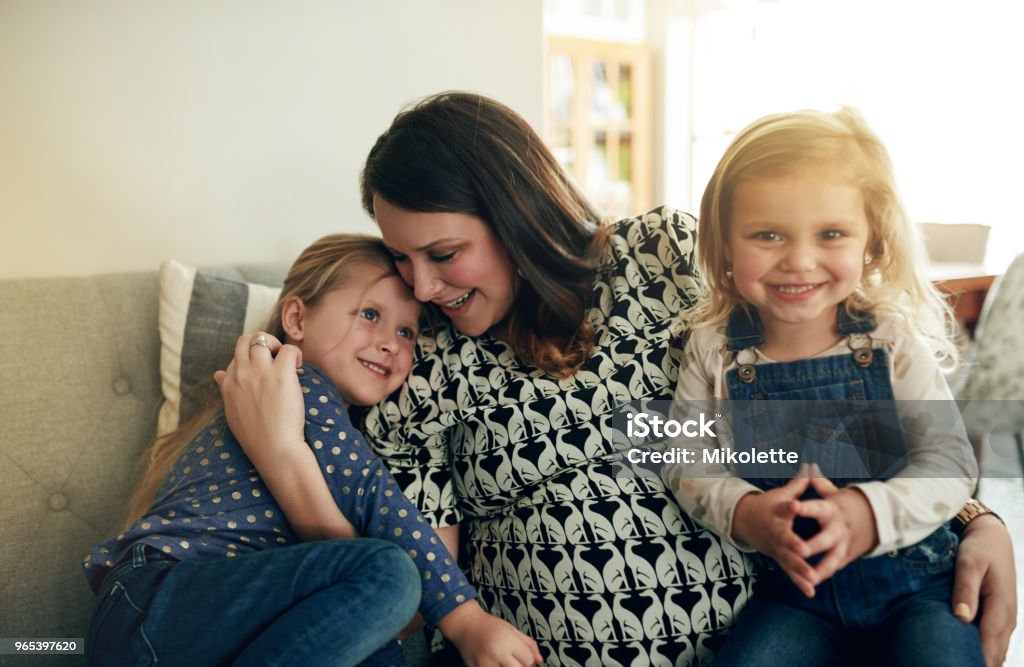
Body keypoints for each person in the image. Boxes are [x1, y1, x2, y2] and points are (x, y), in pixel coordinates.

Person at [217, 92, 1017, 666]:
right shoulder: (427, 363)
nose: (421, 288)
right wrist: (285, 457)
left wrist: (972, 518)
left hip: (786, 613)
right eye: (400, 258)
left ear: (516, 212)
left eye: (443, 253)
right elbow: (407, 585)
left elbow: (818, 375)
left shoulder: (664, 257)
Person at [83, 233, 542, 667]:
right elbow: (373, 495)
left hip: (193, 627)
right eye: (369, 315)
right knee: (388, 572)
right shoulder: (298, 384)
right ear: (297, 319)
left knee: (377, 646)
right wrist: (467, 620)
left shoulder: (343, 421)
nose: (390, 342)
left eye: (407, 332)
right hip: (159, 602)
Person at [664, 107, 983, 665]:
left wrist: (866, 513)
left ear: (872, 240)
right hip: (793, 596)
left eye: (831, 233)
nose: (800, 261)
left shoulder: (890, 338)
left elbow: (950, 461)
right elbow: (685, 459)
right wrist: (746, 513)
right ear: (723, 243)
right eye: (767, 234)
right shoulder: (712, 345)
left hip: (919, 588)